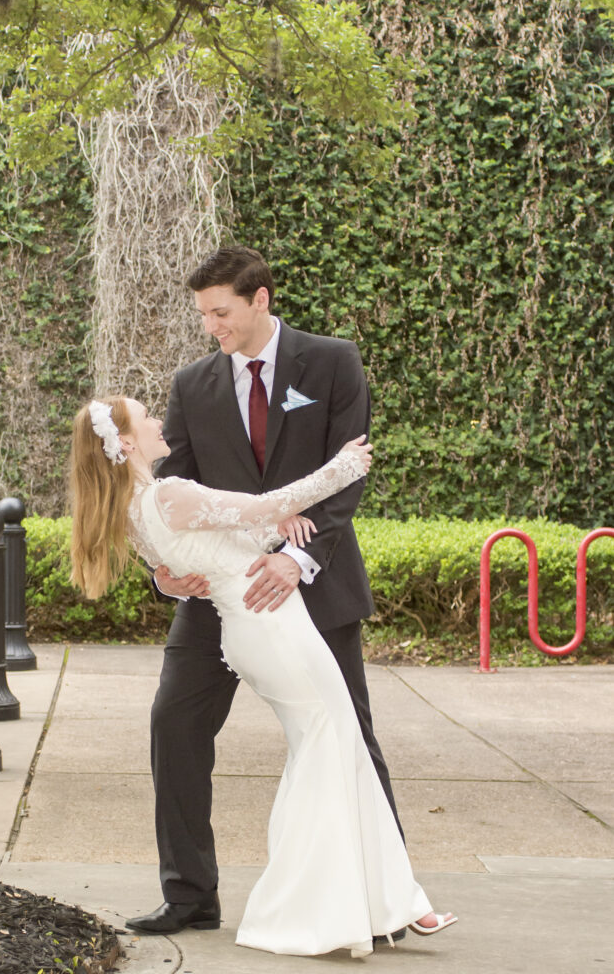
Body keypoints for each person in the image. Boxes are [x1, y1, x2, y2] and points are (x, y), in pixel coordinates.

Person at [69, 396, 456, 957]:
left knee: (331, 744)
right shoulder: (171, 495)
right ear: (124, 442)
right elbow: (271, 500)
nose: (158, 419)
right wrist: (345, 465)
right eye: (145, 415)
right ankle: (315, 905)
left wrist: (270, 526)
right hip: (273, 628)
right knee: (329, 743)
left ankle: (393, 902)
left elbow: (207, 552)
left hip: (255, 626)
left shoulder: (134, 507)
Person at [131, 247, 404, 939]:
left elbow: (347, 471)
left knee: (349, 734)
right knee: (174, 725)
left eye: (219, 313)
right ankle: (189, 895)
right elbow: (172, 492)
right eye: (202, 315)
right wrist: (165, 574)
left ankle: (384, 903)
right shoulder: (193, 384)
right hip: (217, 598)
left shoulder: (332, 361)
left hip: (313, 583)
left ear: (260, 299)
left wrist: (297, 559)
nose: (210, 328)